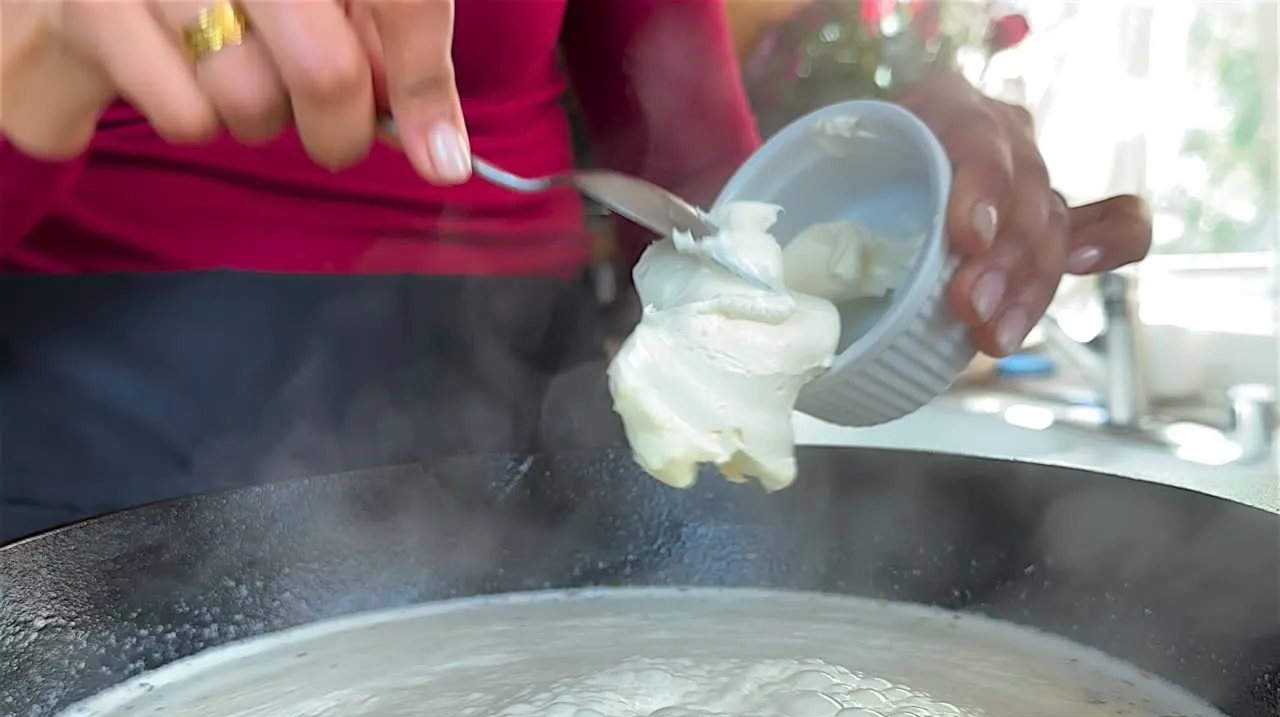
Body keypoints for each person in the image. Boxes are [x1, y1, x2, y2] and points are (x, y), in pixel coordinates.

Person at [0, 0, 1151, 542]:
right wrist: (37, 49)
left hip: (527, 403)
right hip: (116, 404)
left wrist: (891, 204)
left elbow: (694, 177)